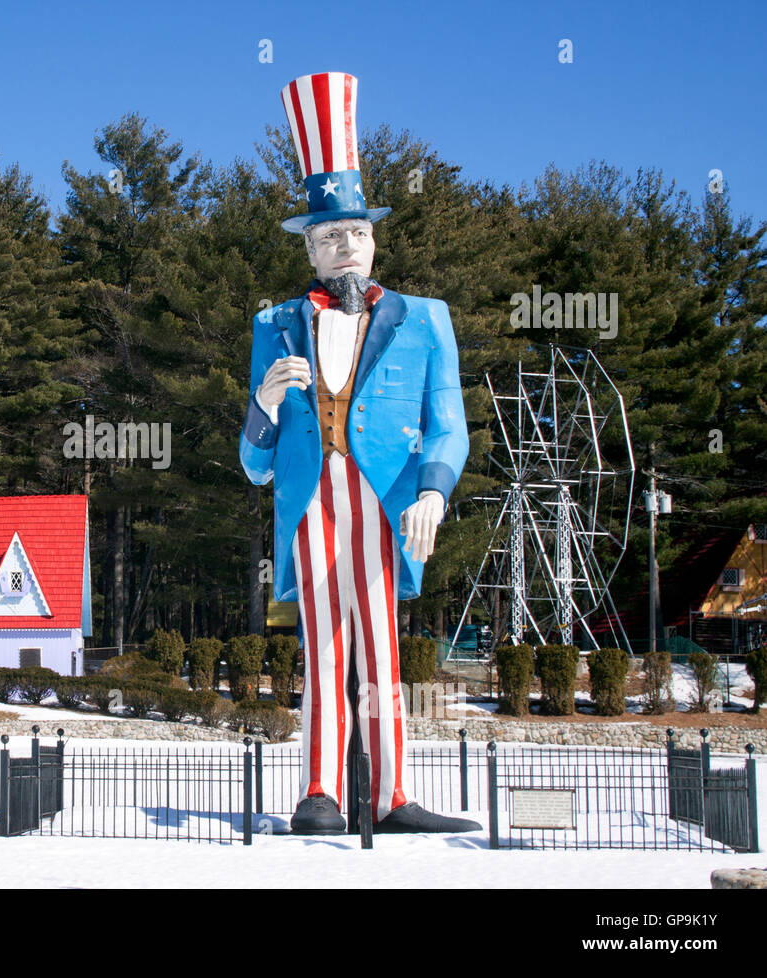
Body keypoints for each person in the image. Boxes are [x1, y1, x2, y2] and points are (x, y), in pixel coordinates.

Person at [239, 72, 480, 834]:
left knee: (382, 648)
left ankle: (393, 796)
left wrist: (434, 493)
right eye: (330, 236)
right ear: (310, 249)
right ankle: (319, 792)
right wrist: (265, 405)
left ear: (374, 241)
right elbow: (254, 463)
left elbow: (450, 423)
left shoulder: (425, 319)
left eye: (358, 233)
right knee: (323, 649)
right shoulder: (274, 325)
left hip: (385, 501)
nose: (347, 246)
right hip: (310, 506)